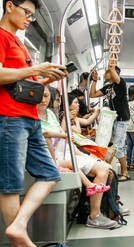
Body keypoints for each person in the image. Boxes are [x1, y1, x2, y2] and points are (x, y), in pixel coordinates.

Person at [0, 0, 68, 247]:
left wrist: (48, 77)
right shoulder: (1, 37)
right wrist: (36, 68)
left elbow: (26, 83)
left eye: (32, 14)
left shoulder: (18, 43)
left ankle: (17, 227)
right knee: (10, 185)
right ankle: (18, 245)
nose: (29, 18)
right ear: (9, 6)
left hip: (30, 119)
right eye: (25, 12)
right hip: (9, 117)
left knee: (49, 174)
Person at [39, 85, 118, 229]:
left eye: (48, 97)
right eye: (41, 96)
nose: (46, 100)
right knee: (102, 166)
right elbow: (49, 135)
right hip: (51, 157)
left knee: (104, 167)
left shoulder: (50, 114)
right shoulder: (31, 116)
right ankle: (95, 215)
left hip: (66, 151)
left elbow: (65, 139)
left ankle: (104, 209)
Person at [90, 61, 131, 181]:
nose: (106, 73)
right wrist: (94, 80)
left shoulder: (120, 84)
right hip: (114, 119)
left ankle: (124, 173)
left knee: (117, 147)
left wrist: (111, 65)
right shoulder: (108, 87)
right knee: (117, 146)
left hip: (122, 119)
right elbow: (92, 94)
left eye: (107, 72)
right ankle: (116, 171)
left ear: (114, 74)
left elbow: (113, 70)